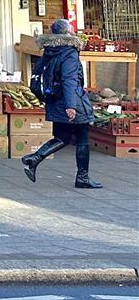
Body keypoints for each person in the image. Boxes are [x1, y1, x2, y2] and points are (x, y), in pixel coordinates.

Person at [22, 19, 102, 189]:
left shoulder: (49, 51)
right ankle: (82, 177)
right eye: (72, 30)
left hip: (55, 100)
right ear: (67, 33)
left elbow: (37, 78)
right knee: (82, 138)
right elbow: (69, 80)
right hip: (72, 101)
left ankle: (33, 159)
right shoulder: (69, 53)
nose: (74, 33)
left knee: (62, 137)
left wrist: (48, 100)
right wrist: (71, 106)